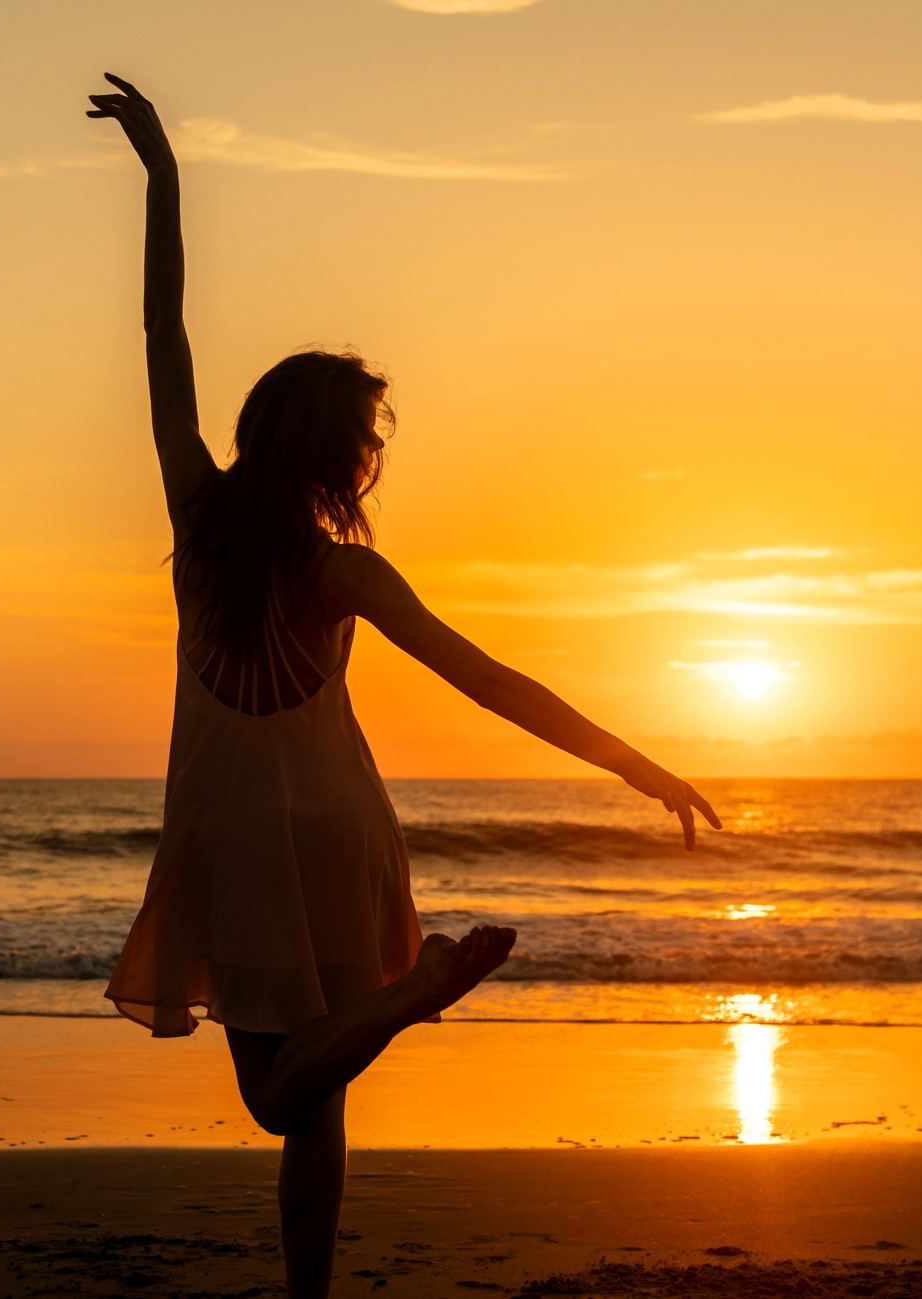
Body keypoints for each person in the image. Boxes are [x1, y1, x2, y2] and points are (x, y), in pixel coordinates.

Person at [87, 73, 721, 1299]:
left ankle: (425, 985)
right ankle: (313, 1284)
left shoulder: (196, 510)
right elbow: (487, 681)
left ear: (257, 429)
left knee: (277, 1096)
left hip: (227, 841)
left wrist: (163, 179)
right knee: (306, 1098)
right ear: (339, 461)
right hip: (335, 839)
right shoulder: (344, 575)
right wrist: (633, 763)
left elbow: (158, 340)